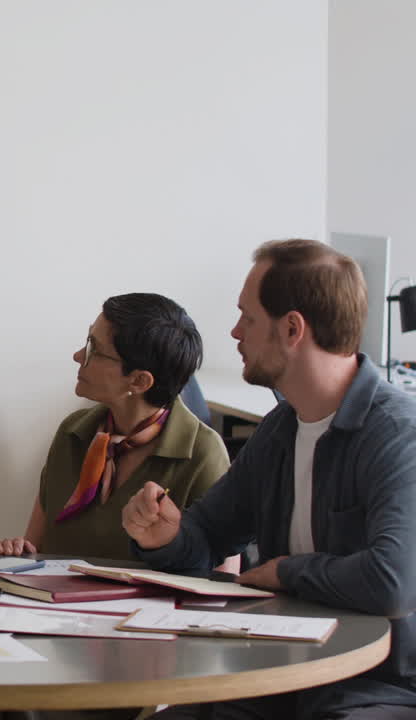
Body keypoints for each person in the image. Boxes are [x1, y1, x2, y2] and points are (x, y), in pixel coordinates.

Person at [123, 240, 416, 719]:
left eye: (248, 318)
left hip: (377, 687)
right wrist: (167, 536)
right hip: (282, 671)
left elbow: (395, 582)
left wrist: (285, 571)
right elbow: (207, 537)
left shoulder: (398, 435)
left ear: (293, 328)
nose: (235, 331)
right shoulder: (281, 428)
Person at [0, 293, 235, 568]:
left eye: (94, 349)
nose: (78, 356)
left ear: (140, 381)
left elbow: (223, 581)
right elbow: (36, 548)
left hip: (145, 612)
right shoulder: (73, 433)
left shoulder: (202, 453)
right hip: (52, 606)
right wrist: (17, 553)